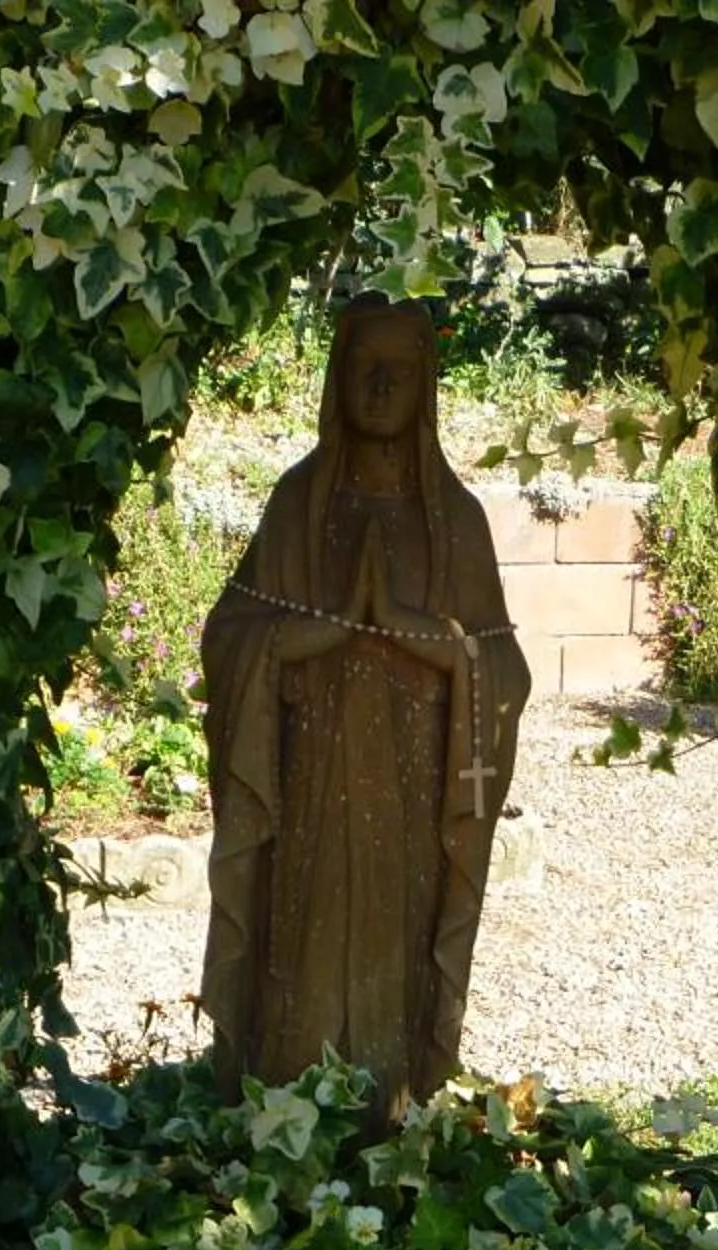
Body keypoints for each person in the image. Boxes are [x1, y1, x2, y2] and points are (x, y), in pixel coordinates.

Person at [198, 297, 530, 1117]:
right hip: (307, 785)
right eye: (364, 369)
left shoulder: (455, 520)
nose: (381, 388)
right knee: (301, 948)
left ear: (426, 388)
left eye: (400, 372)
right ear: (337, 379)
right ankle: (286, 1119)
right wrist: (308, 637)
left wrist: (425, 636)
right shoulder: (299, 504)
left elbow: (504, 669)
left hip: (413, 796)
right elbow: (229, 636)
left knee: (396, 951)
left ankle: (393, 1115)